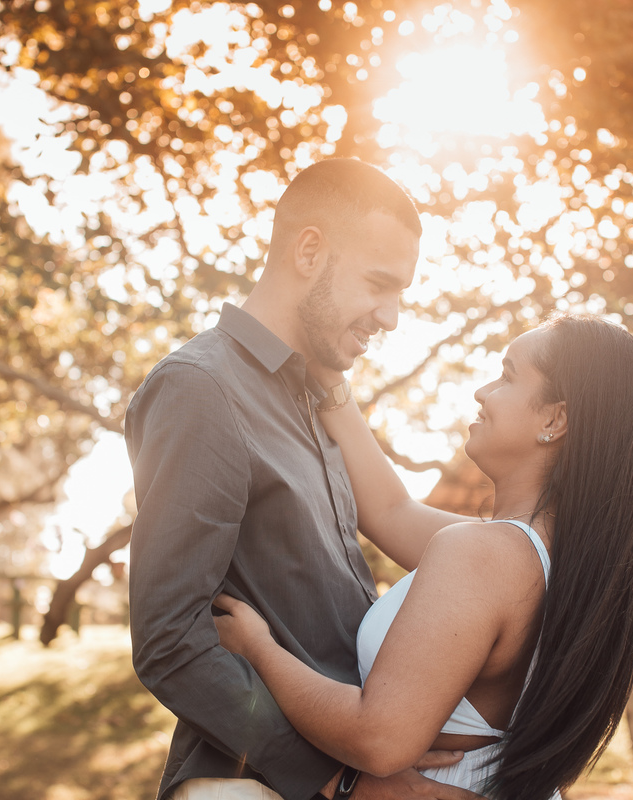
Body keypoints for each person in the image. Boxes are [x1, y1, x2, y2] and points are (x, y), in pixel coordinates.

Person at [125, 158, 485, 800]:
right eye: (379, 283)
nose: (391, 316)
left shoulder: (317, 398)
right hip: (255, 785)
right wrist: (338, 779)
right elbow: (169, 641)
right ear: (309, 251)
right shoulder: (201, 389)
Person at [213, 314, 633, 800]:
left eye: (507, 376)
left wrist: (257, 649)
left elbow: (378, 739)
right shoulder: (543, 555)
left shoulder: (485, 555)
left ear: (554, 420)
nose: (482, 392)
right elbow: (390, 511)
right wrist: (329, 378)